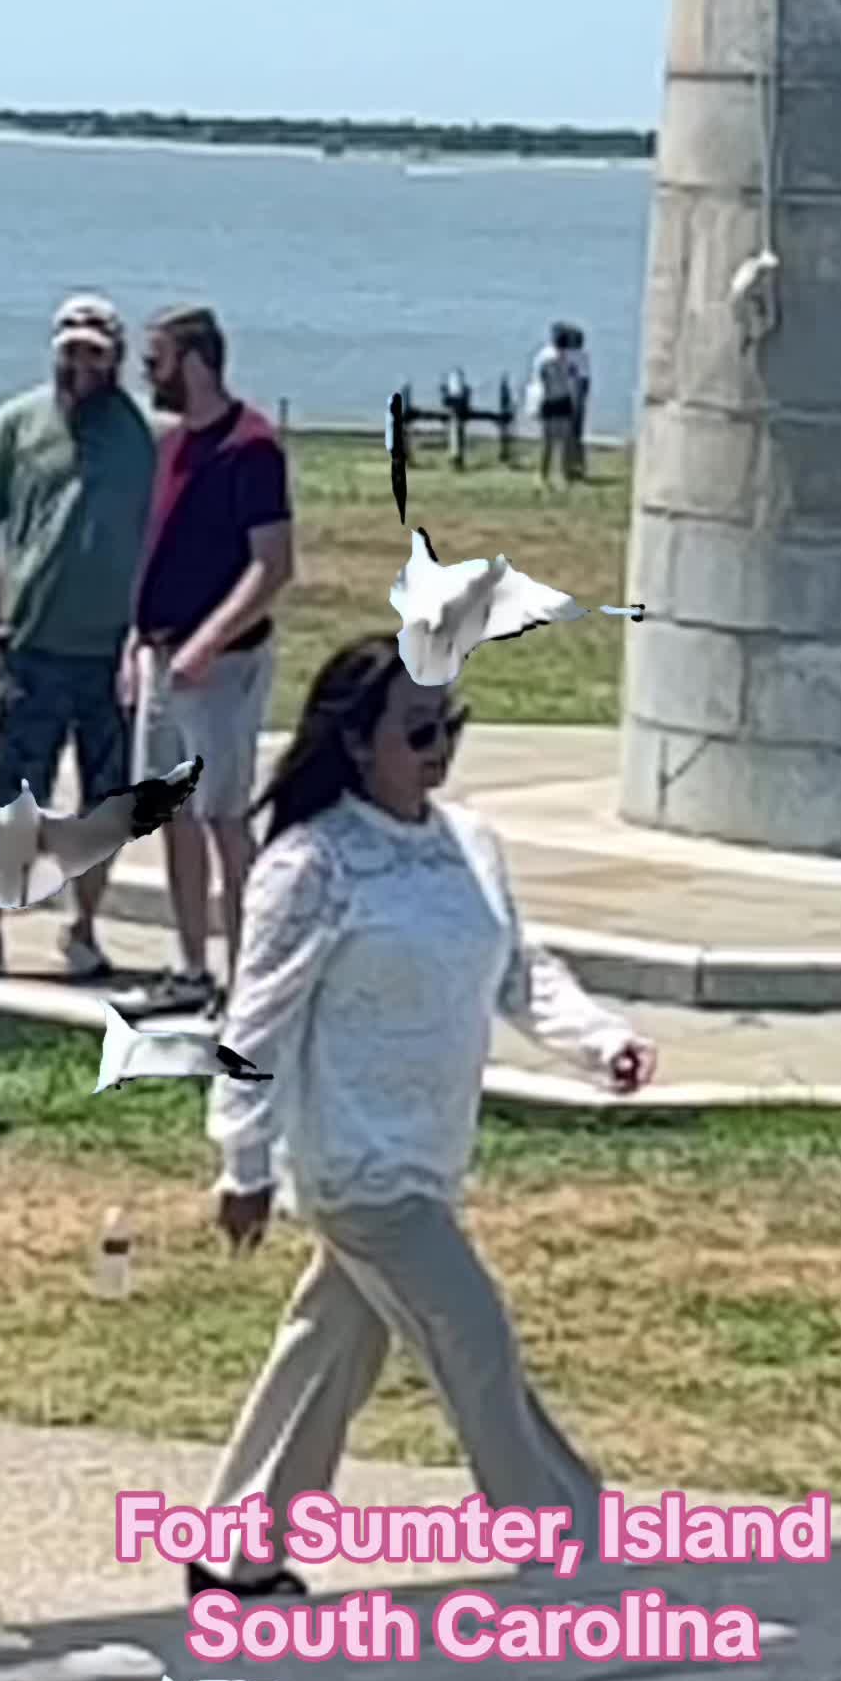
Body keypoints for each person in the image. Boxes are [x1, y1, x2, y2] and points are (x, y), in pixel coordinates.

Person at [185, 634, 657, 1600]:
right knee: (474, 1339)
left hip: (430, 1157)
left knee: (330, 1351)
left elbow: (519, 972)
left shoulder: (468, 846)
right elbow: (255, 1025)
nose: (439, 748)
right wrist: (244, 1162)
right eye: (418, 731)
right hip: (357, 1169)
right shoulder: (312, 865)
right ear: (358, 743)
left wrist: (599, 1041)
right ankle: (575, 1545)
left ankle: (236, 1552)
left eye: (452, 726)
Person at [0, 294, 157, 986]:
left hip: (113, 656)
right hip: (31, 646)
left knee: (106, 799)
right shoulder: (15, 424)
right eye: (70, 349)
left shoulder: (147, 436)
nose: (80, 362)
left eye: (94, 351)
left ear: (116, 358)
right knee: (10, 793)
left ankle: (84, 930)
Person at [120, 305, 294, 1017]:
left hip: (222, 670)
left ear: (193, 361)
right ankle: (190, 968)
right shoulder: (169, 448)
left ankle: (248, 977)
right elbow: (156, 553)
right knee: (174, 816)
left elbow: (272, 566)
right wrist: (135, 644)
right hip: (160, 659)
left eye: (154, 360)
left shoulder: (252, 446)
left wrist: (208, 641)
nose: (146, 374)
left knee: (225, 818)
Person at [526, 321, 575, 487]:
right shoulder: (546, 356)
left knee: (565, 438)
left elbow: (571, 375)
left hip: (563, 397)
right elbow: (540, 377)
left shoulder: (567, 356)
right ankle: (542, 475)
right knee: (547, 440)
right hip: (549, 399)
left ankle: (563, 475)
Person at [564, 326, 591, 481]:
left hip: (569, 399)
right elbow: (586, 382)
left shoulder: (566, 356)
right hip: (579, 400)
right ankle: (578, 468)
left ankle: (569, 470)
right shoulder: (584, 357)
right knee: (577, 436)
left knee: (568, 436)